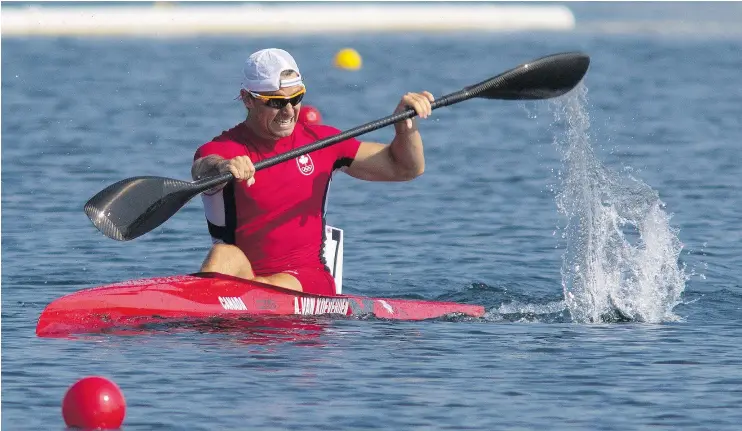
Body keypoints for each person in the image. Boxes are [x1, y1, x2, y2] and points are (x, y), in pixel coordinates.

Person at [191, 48, 433, 296]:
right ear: (247, 99)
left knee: (264, 286)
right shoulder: (221, 150)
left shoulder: (322, 142)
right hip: (244, 276)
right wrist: (223, 167)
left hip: (306, 280)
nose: (288, 111)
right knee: (223, 254)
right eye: (276, 102)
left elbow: (405, 168)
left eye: (296, 98)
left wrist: (405, 128)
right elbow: (202, 170)